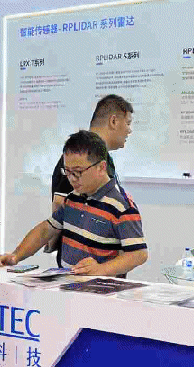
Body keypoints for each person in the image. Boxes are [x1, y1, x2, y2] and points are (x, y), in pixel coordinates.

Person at [0, 130, 148, 277]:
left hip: (98, 289)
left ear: (101, 167)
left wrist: (100, 270)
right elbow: (46, 229)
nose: (72, 179)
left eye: (78, 172)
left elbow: (138, 254)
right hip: (67, 282)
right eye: (67, 171)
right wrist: (16, 256)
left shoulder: (122, 206)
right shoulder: (74, 197)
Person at [49, 94, 133, 265]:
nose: (129, 130)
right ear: (114, 121)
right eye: (128, 123)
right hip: (83, 266)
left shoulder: (101, 158)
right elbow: (59, 203)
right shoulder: (79, 158)